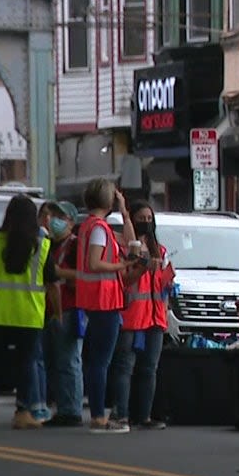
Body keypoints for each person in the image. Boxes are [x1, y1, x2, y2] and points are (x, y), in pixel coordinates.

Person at [0, 195, 60, 429]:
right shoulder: (41, 247)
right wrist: (58, 312)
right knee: (26, 363)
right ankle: (22, 412)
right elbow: (52, 285)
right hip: (28, 316)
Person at [76, 178, 139, 433]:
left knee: (97, 360)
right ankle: (99, 416)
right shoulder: (99, 229)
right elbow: (95, 262)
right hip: (104, 299)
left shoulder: (91, 226)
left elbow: (130, 242)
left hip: (96, 298)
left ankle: (98, 413)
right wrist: (121, 266)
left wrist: (125, 214)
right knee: (101, 361)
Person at [109, 200, 176, 429]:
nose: (146, 223)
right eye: (141, 219)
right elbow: (124, 280)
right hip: (132, 316)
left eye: (149, 219)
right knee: (125, 367)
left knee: (149, 368)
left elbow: (163, 286)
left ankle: (144, 415)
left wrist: (168, 279)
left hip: (155, 317)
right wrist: (142, 268)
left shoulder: (161, 249)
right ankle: (121, 414)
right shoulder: (127, 249)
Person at [43, 202, 86, 428]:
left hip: (70, 309)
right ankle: (60, 406)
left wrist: (60, 273)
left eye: (60, 216)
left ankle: (71, 409)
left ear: (71, 221)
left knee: (69, 360)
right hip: (48, 309)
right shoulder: (48, 245)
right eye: (52, 215)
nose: (53, 220)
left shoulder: (75, 245)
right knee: (54, 361)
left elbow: (85, 275)